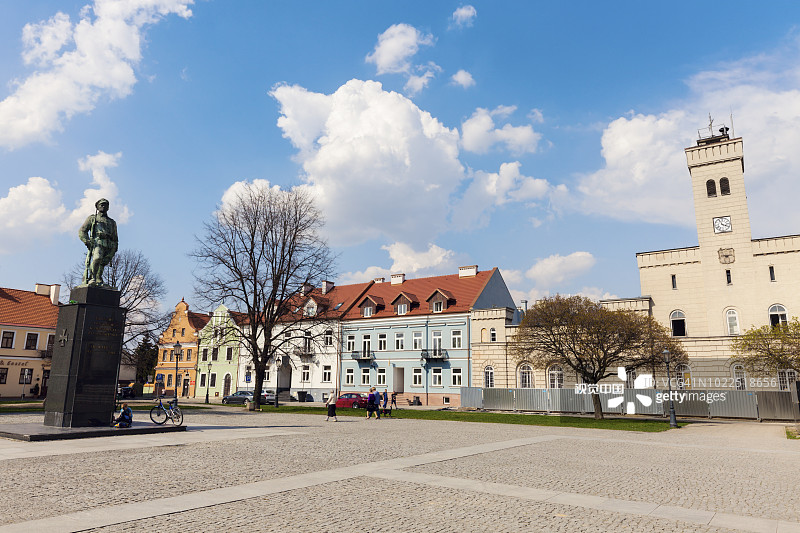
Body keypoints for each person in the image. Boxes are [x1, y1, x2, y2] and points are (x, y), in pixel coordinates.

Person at [78, 198, 119, 287]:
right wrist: (87, 241)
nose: (104, 206)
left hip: (109, 245)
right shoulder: (93, 218)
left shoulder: (112, 222)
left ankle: (98, 278)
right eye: (102, 205)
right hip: (97, 243)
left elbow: (115, 237)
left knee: (104, 262)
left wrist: (114, 248)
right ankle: (92, 278)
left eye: (106, 205)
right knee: (97, 258)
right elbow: (82, 231)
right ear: (97, 207)